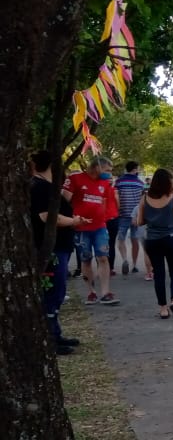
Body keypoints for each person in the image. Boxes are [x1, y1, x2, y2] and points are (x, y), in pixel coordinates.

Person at [30, 150, 84, 354]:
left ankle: (55, 334)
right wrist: (74, 221)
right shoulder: (41, 187)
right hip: (51, 248)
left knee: (57, 292)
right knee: (52, 293)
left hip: (59, 246)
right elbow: (46, 216)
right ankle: (49, 338)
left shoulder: (48, 187)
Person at [63, 154, 119, 305]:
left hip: (100, 226)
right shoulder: (75, 179)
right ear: (97, 167)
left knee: (103, 257)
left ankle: (106, 292)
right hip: (81, 228)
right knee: (85, 259)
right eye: (107, 169)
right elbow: (63, 200)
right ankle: (91, 292)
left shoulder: (105, 183)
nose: (109, 173)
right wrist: (71, 220)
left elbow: (106, 201)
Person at [136, 169, 173, 320]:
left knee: (159, 273)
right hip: (171, 238)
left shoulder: (145, 198)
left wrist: (153, 220)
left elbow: (139, 221)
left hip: (152, 240)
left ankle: (163, 308)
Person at [113, 160, 147, 274]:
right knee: (135, 239)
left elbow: (115, 197)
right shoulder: (140, 183)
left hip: (122, 214)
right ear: (134, 169)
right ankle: (134, 264)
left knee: (121, 239)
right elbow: (142, 200)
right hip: (136, 216)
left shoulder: (118, 182)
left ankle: (124, 259)